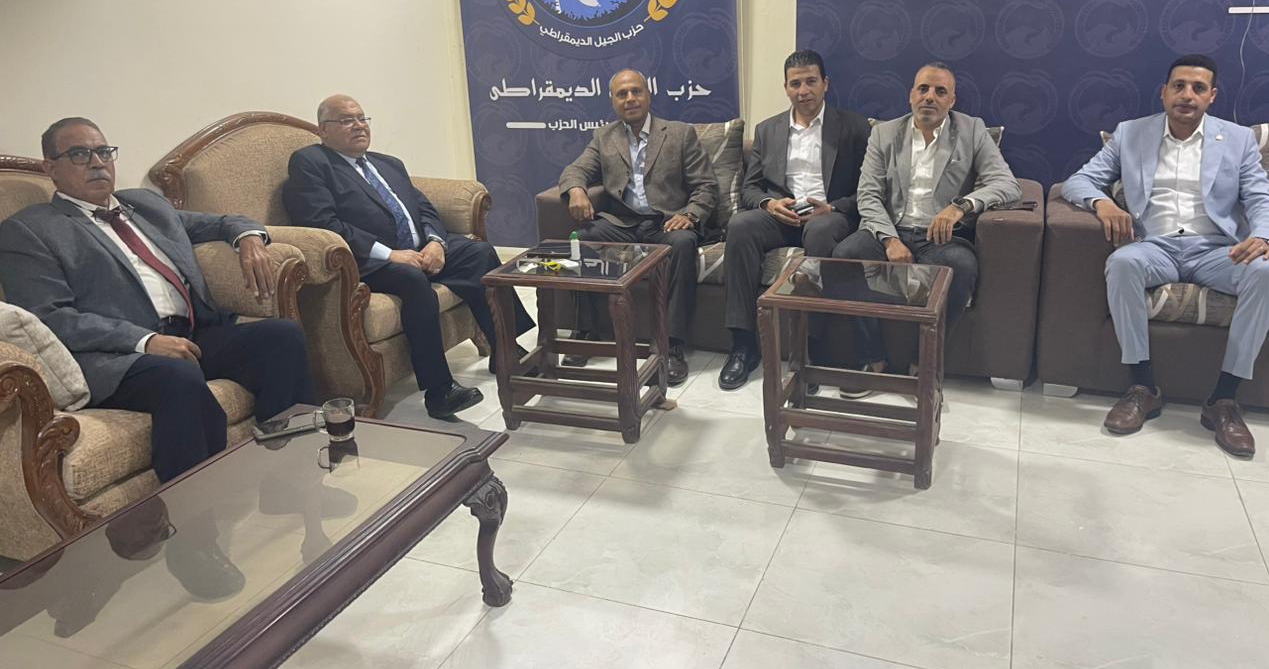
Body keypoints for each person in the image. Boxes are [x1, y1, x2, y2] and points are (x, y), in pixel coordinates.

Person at [0, 118, 314, 490]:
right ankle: (195, 504)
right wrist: (144, 341)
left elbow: (220, 223)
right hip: (120, 356)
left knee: (282, 337)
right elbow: (52, 316)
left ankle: (290, 466)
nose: (97, 163)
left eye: (103, 152)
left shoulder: (144, 204)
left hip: (193, 332)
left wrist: (248, 238)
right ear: (50, 168)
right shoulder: (29, 230)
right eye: (79, 155)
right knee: (178, 377)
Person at [1061, 54, 1269, 458]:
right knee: (1123, 263)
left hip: (1218, 249)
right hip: (1155, 245)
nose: (1187, 95)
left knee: (1267, 273)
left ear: (1212, 96)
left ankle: (1224, 399)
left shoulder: (1237, 140)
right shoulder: (1131, 133)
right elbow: (1079, 181)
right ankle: (1143, 387)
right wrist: (1102, 203)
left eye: (1198, 88)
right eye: (1179, 86)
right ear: (1164, 92)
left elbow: (1261, 199)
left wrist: (1266, 236)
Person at [283, 95, 532, 419]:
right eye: (346, 120)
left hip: (418, 249)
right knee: (412, 279)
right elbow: (321, 222)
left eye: (362, 118)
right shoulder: (311, 163)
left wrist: (436, 243)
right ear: (323, 130)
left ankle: (505, 350)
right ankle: (440, 391)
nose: (358, 126)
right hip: (367, 261)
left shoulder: (388, 164)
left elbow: (424, 207)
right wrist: (390, 254)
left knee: (479, 253)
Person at [832, 62, 1020, 384]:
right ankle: (870, 356)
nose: (929, 97)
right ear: (911, 95)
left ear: (951, 100)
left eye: (940, 91)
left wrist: (960, 206)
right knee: (845, 256)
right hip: (890, 229)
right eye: (923, 89)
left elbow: (1007, 184)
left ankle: (926, 360)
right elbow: (868, 195)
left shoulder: (972, 130)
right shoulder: (884, 133)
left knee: (961, 266)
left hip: (940, 238)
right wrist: (890, 240)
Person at [718, 49, 871, 390]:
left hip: (828, 216)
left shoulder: (855, 127)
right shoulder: (768, 129)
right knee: (740, 226)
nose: (804, 91)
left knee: (819, 231)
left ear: (825, 84)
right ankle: (743, 345)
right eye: (795, 84)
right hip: (782, 216)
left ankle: (810, 349)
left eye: (811, 82)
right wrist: (770, 204)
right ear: (786, 88)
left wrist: (834, 208)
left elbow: (869, 189)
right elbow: (750, 188)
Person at [557, 68, 719, 385]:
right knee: (580, 241)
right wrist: (576, 190)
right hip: (623, 223)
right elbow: (575, 170)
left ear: (648, 95)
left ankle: (672, 345)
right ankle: (586, 331)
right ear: (613, 101)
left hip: (666, 222)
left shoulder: (679, 134)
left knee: (683, 244)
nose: (630, 98)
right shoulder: (604, 137)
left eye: (636, 91)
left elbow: (706, 186)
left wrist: (690, 214)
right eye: (622, 94)